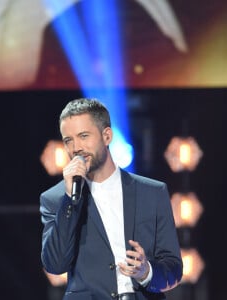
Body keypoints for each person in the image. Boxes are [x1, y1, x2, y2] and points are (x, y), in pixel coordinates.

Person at [40, 98, 182, 300]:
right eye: (68, 140)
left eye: (83, 136)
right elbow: (54, 264)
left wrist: (146, 272)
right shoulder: (55, 199)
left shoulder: (152, 192)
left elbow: (173, 269)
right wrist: (70, 201)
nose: (76, 147)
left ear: (107, 136)